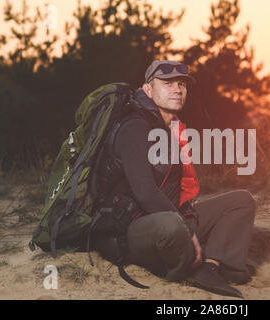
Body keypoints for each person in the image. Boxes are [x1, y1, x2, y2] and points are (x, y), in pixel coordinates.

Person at [93, 60, 256, 298]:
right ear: (148, 90)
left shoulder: (173, 129)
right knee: (172, 225)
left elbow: (172, 187)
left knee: (242, 201)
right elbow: (146, 193)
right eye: (167, 83)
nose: (177, 89)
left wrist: (187, 214)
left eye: (181, 84)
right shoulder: (134, 127)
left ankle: (210, 266)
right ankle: (192, 267)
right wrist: (187, 229)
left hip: (169, 217)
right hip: (130, 228)